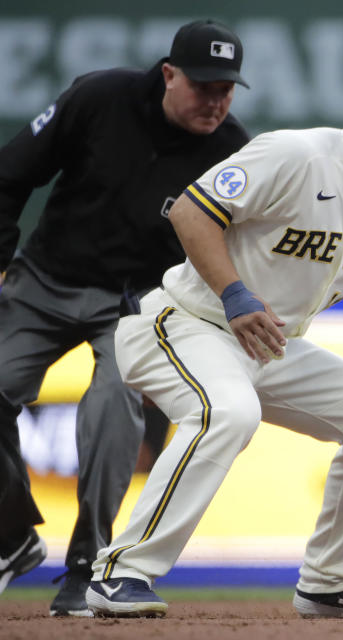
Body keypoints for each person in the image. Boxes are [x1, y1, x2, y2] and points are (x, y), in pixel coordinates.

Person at [83, 69, 343, 619]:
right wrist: (234, 293)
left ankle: (328, 582)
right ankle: (120, 573)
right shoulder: (296, 156)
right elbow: (190, 210)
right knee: (227, 412)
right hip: (187, 322)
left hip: (270, 346)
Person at [0, 20, 250, 615]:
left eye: (227, 88)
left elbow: (244, 251)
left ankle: (87, 566)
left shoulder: (234, 153)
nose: (215, 100)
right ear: (168, 74)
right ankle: (11, 537)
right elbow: (11, 174)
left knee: (113, 407)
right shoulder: (99, 98)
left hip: (139, 305)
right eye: (203, 85)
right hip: (46, 282)